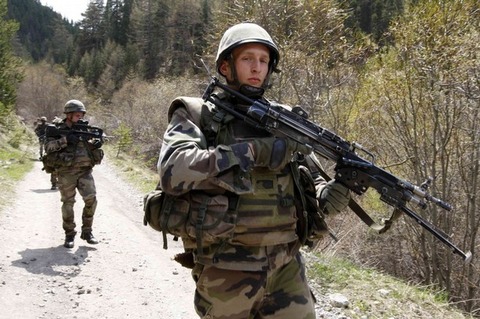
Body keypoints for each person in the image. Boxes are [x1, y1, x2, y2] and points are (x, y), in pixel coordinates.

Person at [157, 22, 351, 318]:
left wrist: (338, 190)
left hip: (286, 267)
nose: (257, 67)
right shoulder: (199, 114)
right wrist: (256, 151)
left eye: (264, 61)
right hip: (226, 269)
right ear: (226, 66)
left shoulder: (285, 122)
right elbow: (174, 170)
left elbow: (313, 186)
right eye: (248, 58)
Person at [44, 100, 103, 248]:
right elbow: (48, 147)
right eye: (77, 114)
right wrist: (65, 140)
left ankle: (87, 231)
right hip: (66, 172)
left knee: (91, 200)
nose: (79, 116)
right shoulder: (57, 129)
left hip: (85, 171)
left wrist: (96, 143)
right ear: (68, 114)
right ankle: (69, 234)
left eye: (81, 114)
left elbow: (97, 140)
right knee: (68, 203)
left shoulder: (85, 129)